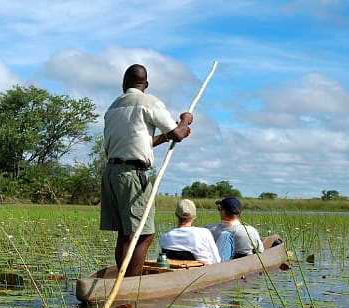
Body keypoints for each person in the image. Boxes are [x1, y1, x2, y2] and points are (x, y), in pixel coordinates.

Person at [101, 64, 193, 276]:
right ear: (146, 85)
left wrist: (167, 136)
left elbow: (142, 142)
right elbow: (178, 133)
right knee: (143, 235)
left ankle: (123, 280)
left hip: (112, 173)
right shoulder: (149, 102)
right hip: (132, 175)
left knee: (126, 233)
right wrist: (186, 120)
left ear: (124, 84)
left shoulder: (113, 107)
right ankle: (130, 284)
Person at [159, 199, 220, 264]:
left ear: (176, 215)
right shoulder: (204, 233)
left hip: (175, 271)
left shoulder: (164, 237)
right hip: (202, 272)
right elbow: (217, 260)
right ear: (194, 216)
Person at [206, 197, 263, 262]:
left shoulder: (208, 229)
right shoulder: (251, 231)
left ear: (223, 211)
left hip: (217, 266)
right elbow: (260, 251)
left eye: (219, 209)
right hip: (246, 265)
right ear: (240, 213)